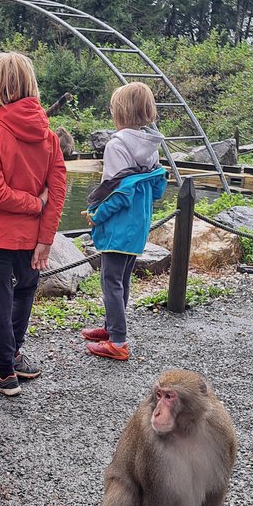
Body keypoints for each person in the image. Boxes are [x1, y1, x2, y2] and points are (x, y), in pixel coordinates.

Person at [0, 51, 66, 396]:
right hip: (32, 238)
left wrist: (31, 203)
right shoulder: (50, 139)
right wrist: (45, 235)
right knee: (24, 291)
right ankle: (13, 355)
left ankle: (3, 372)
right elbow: (57, 191)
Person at [81, 82, 167, 361]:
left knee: (110, 281)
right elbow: (156, 189)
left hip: (118, 227)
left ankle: (118, 341)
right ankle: (112, 327)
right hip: (138, 226)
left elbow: (117, 194)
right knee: (122, 279)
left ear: (119, 112)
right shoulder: (150, 145)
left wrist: (96, 216)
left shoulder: (117, 145)